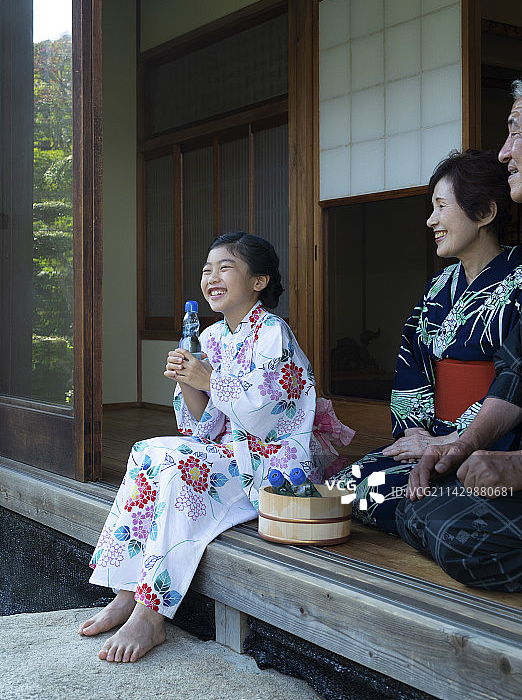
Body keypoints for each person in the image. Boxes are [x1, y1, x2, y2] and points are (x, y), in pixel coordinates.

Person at [78, 231, 345, 662]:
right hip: (230, 450)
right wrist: (189, 381)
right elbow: (203, 423)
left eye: (225, 267)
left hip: (273, 460)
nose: (212, 277)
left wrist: (206, 379)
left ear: (258, 281)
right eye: (207, 270)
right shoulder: (215, 335)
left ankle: (151, 614)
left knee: (181, 471)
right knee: (147, 451)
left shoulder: (273, 332)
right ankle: (127, 589)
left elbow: (265, 416)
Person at [333, 150, 522, 534]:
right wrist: (417, 435)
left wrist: (455, 440)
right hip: (432, 433)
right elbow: (413, 362)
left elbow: (518, 384)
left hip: (491, 443)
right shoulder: (440, 286)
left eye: (441, 206)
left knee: (388, 497)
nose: (431, 220)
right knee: (344, 486)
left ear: (485, 213)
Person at [396, 73, 522, 591]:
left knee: (456, 523)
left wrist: (509, 458)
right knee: (356, 486)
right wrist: (435, 440)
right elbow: (515, 380)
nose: (504, 152)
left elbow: (510, 385)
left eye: (515, 132)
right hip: (467, 446)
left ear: (486, 214)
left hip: (507, 454)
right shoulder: (439, 291)